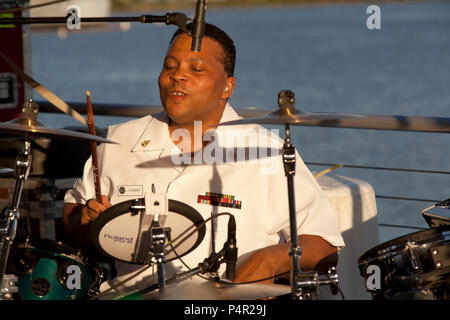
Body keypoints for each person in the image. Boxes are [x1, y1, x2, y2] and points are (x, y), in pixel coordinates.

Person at [63, 23, 344, 297]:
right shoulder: (120, 140)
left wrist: (270, 260)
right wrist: (84, 221)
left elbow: (324, 246)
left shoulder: (266, 150)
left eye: (196, 69)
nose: (178, 76)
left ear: (227, 87)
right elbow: (73, 214)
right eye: (170, 66)